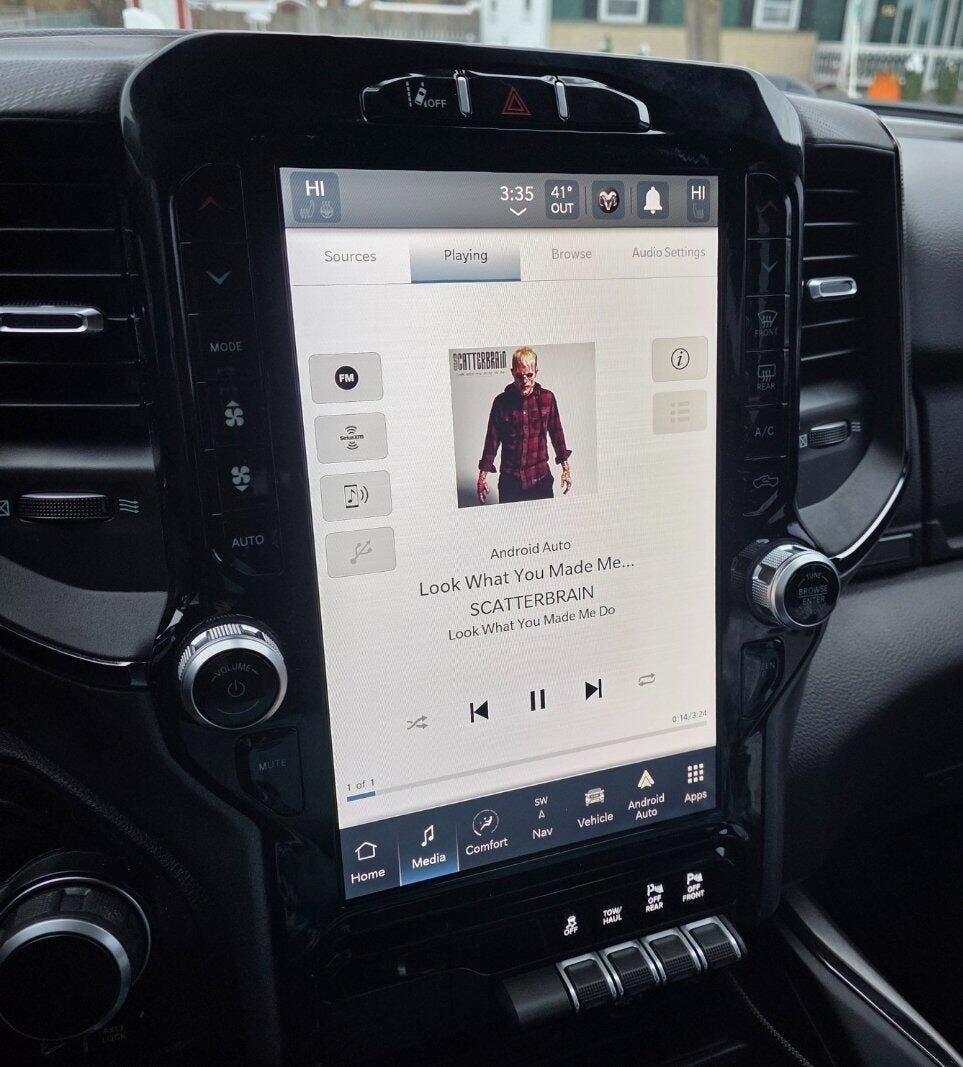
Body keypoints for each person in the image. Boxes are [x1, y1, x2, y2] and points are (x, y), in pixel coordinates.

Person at [476, 346, 572, 504]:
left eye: (529, 375)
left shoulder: (547, 399)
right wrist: (482, 477)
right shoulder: (501, 402)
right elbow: (491, 441)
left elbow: (557, 434)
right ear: (512, 372)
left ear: (536, 372)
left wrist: (566, 470)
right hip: (510, 483)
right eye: (519, 376)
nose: (525, 381)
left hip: (540, 481)